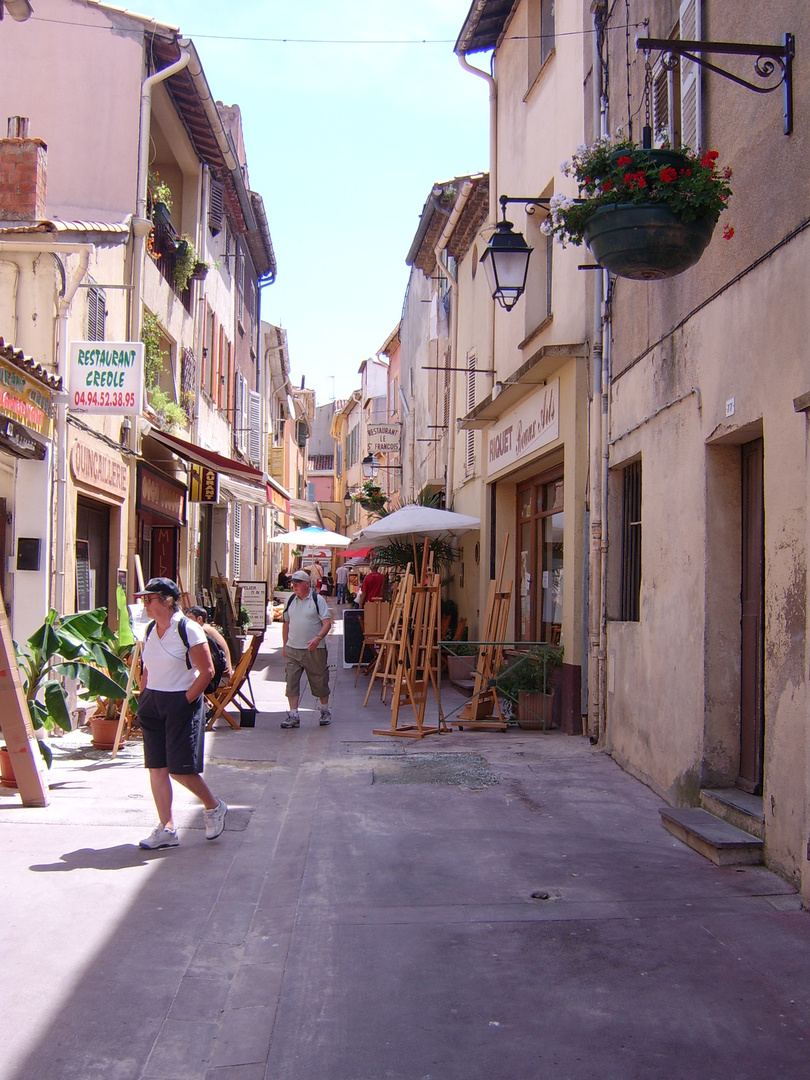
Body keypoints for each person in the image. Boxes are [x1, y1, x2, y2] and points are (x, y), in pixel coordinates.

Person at [135, 577, 228, 849]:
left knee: (180, 770)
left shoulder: (188, 630)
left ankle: (213, 806)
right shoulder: (151, 629)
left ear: (166, 601)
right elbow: (148, 667)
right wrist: (144, 696)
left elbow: (208, 672)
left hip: (179, 701)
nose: (145, 604)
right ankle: (166, 828)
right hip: (153, 702)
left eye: (149, 599)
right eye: (144, 599)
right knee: (156, 767)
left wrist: (184, 701)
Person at [280, 569, 333, 729]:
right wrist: (285, 645)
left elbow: (327, 623)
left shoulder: (317, 600)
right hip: (293, 649)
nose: (294, 586)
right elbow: (286, 624)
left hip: (314, 650)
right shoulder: (289, 601)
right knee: (291, 682)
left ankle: (324, 710)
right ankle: (293, 714)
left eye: (297, 584)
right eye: (292, 584)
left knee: (320, 680)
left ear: (306, 584)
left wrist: (318, 638)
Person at [185, 606, 233, 683]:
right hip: (223, 675)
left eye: (189, 618)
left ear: (199, 619)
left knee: (183, 681)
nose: (186, 622)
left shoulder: (201, 631)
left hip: (220, 678)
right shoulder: (207, 628)